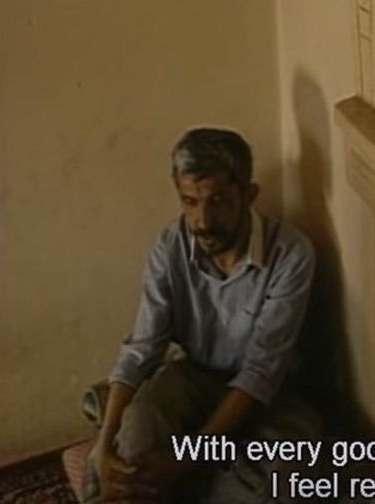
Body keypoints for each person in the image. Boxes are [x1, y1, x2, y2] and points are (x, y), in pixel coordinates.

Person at [86, 128, 316, 503]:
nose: (203, 221)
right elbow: (142, 348)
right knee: (137, 434)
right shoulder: (170, 245)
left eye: (218, 201)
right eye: (190, 202)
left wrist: (182, 461)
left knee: (275, 482)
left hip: (272, 400)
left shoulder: (291, 253)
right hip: (193, 378)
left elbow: (259, 376)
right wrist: (103, 444)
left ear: (249, 194)